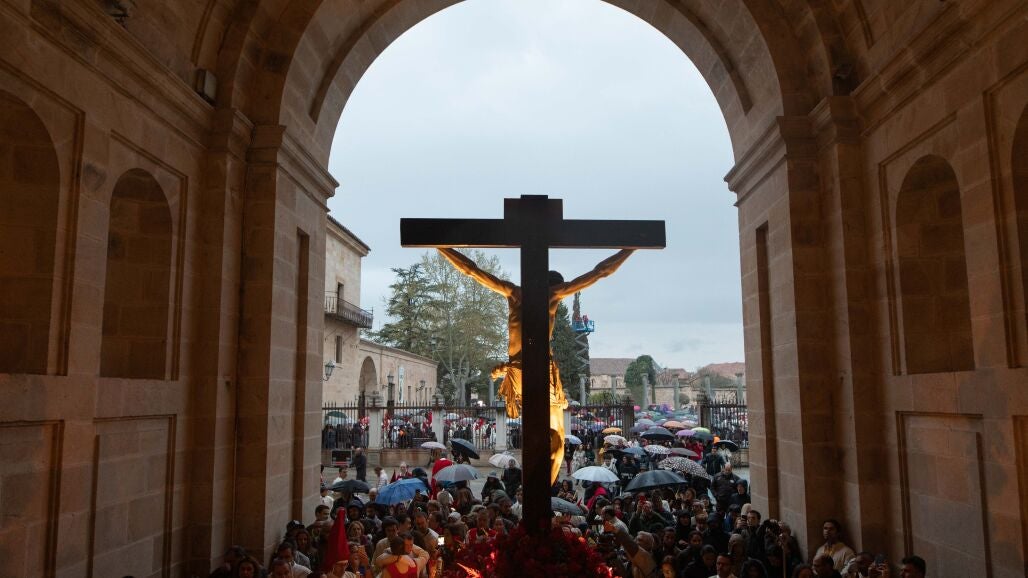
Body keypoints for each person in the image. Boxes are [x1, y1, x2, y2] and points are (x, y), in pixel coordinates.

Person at [438, 247, 634, 483]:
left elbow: (471, 269)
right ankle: (543, 486)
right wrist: (630, 249)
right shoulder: (552, 295)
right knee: (557, 437)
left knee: (538, 429)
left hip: (518, 372)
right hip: (540, 370)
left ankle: (536, 484)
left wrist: (442, 247)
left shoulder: (513, 293)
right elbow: (600, 272)